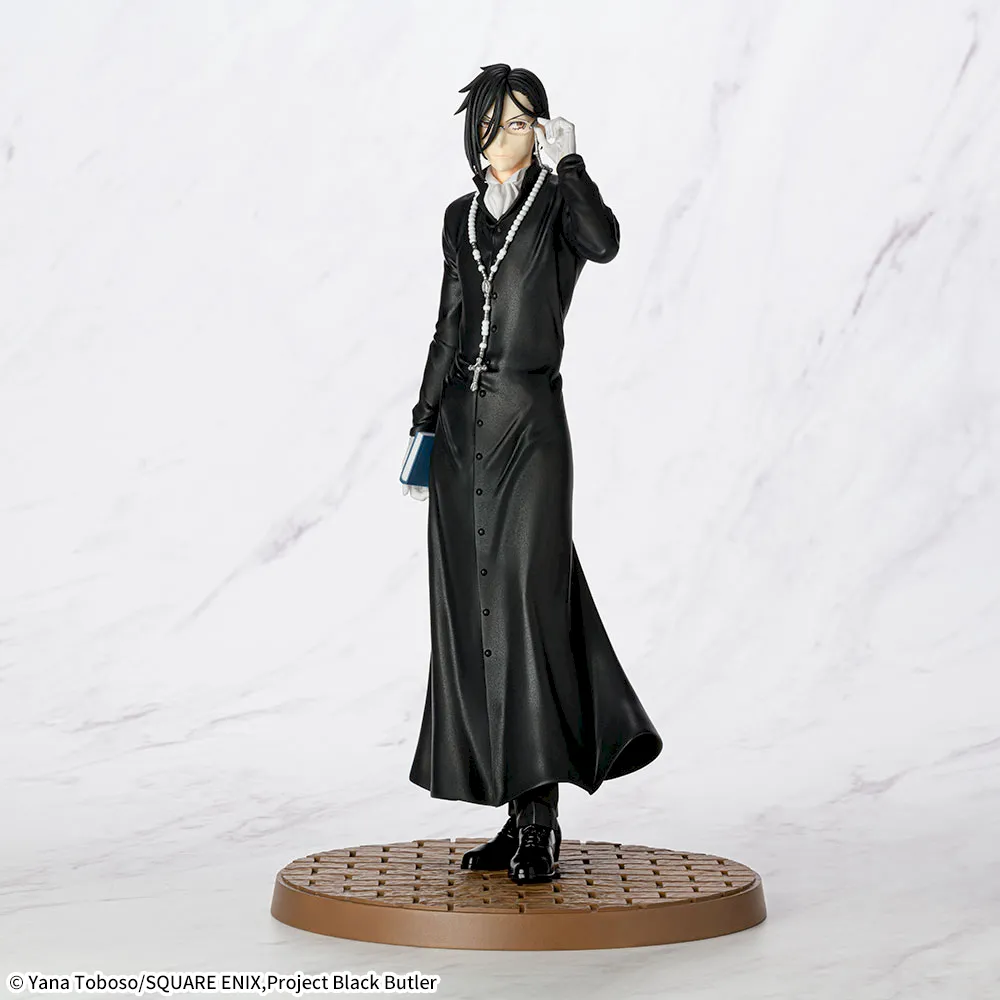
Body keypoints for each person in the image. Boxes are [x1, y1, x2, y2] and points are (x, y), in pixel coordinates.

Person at [404, 63, 662, 885]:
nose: (503, 136)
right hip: (462, 431)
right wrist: (422, 424)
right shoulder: (458, 217)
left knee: (528, 606)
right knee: (474, 615)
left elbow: (605, 242)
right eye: (494, 121)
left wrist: (572, 163)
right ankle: (515, 815)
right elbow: (448, 325)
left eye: (520, 122)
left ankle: (543, 821)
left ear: (540, 130)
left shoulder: (557, 202)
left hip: (531, 425)